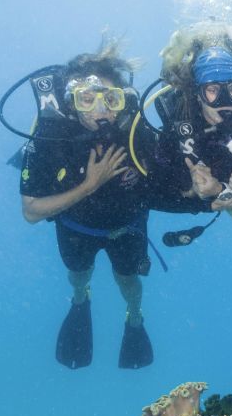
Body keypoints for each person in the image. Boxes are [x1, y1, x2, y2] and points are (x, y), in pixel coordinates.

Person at [18, 41, 168, 370]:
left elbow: (170, 179)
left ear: (123, 100)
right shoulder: (50, 137)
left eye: (111, 100)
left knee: (128, 282)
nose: (101, 112)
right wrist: (90, 185)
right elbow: (30, 211)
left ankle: (134, 315)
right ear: (72, 103)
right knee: (78, 273)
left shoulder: (136, 131)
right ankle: (80, 297)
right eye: (88, 99)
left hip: (127, 228)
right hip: (74, 230)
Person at [142, 25, 232, 224]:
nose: (225, 100)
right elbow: (151, 196)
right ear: (197, 94)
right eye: (212, 90)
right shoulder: (178, 127)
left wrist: (220, 190)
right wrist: (196, 196)